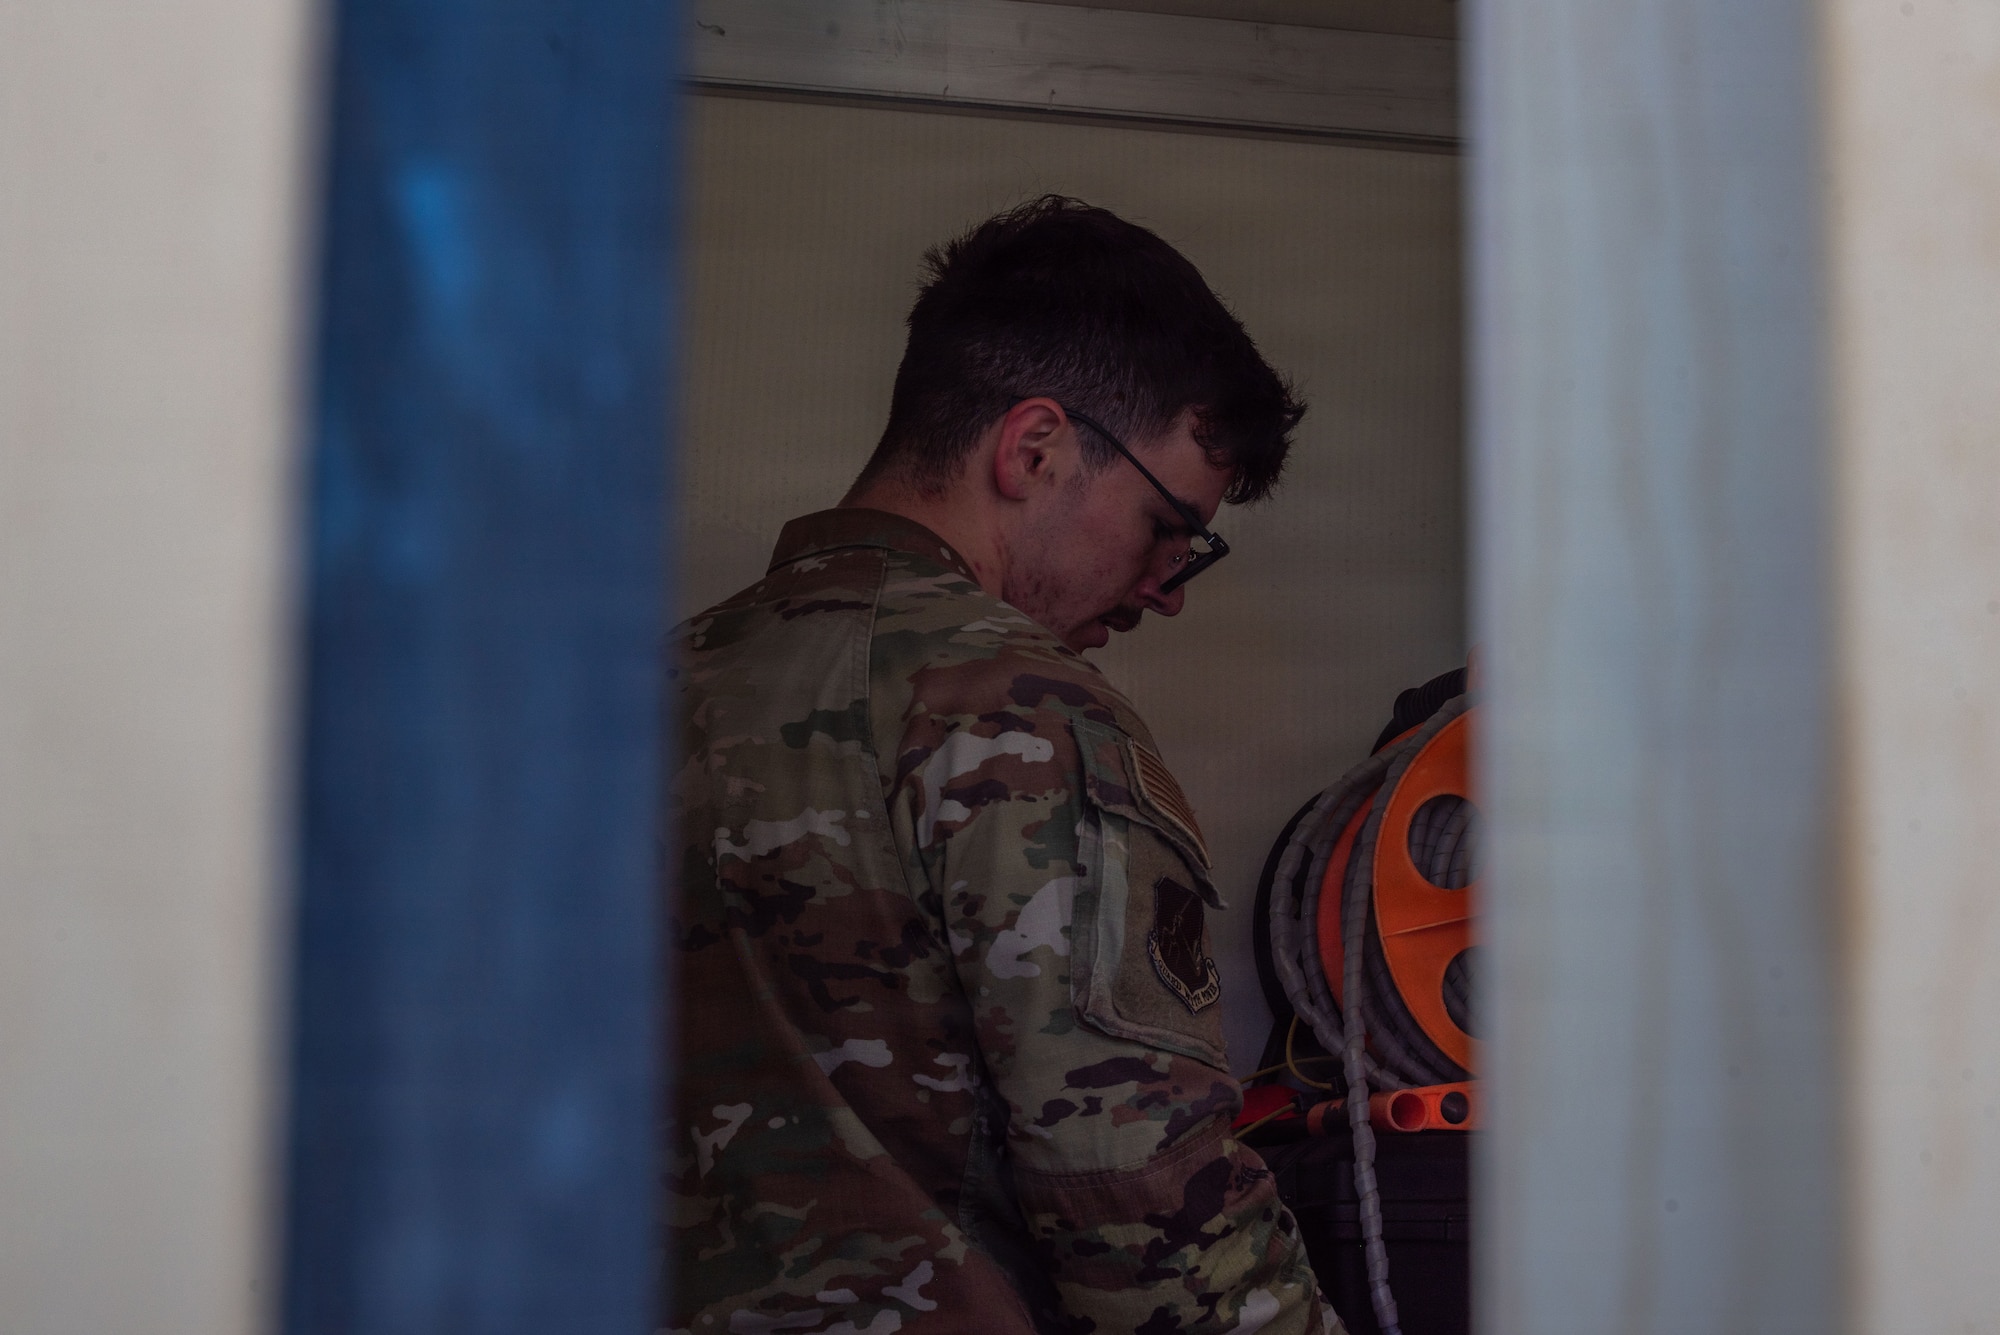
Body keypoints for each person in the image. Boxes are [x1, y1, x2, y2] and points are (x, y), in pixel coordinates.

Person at [667, 196, 1337, 1334]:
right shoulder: (1023, 713)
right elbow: (1138, 1194)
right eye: (1166, 525)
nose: (1169, 587)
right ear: (1032, 450)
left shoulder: (663, 682)